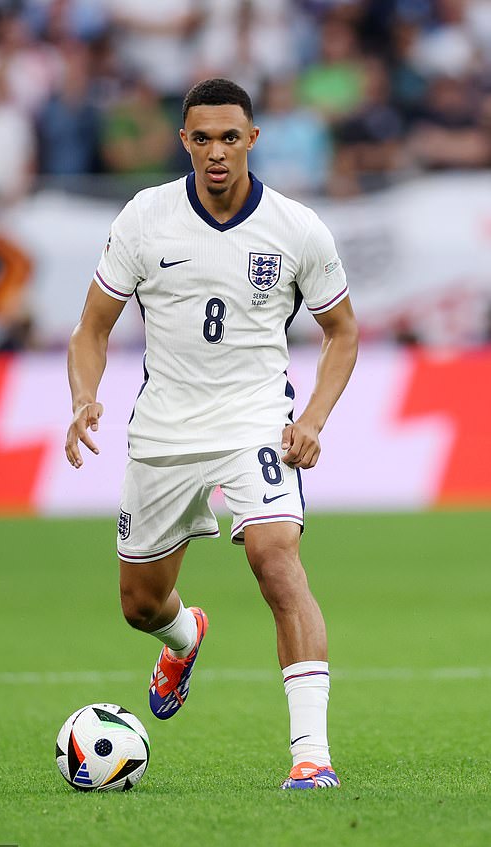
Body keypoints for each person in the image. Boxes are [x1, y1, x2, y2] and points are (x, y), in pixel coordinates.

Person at [65, 78, 358, 791]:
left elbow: (342, 330)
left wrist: (312, 419)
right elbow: (92, 328)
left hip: (256, 418)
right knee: (140, 605)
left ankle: (311, 756)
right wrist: (82, 397)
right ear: (185, 141)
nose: (218, 151)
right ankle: (184, 636)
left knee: (275, 558)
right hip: (164, 428)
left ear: (252, 139)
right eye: (204, 138)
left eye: (231, 137)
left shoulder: (296, 228)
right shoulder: (144, 218)